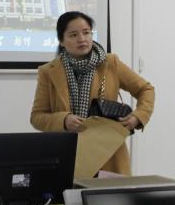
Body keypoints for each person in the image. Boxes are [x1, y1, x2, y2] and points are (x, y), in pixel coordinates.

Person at [30, 11, 154, 175]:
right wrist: (64, 120)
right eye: (73, 35)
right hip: (67, 153)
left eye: (86, 32)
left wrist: (138, 116)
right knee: (68, 191)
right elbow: (37, 117)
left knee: (109, 193)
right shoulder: (48, 72)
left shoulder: (110, 63)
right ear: (61, 41)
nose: (82, 39)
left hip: (108, 153)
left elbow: (146, 90)